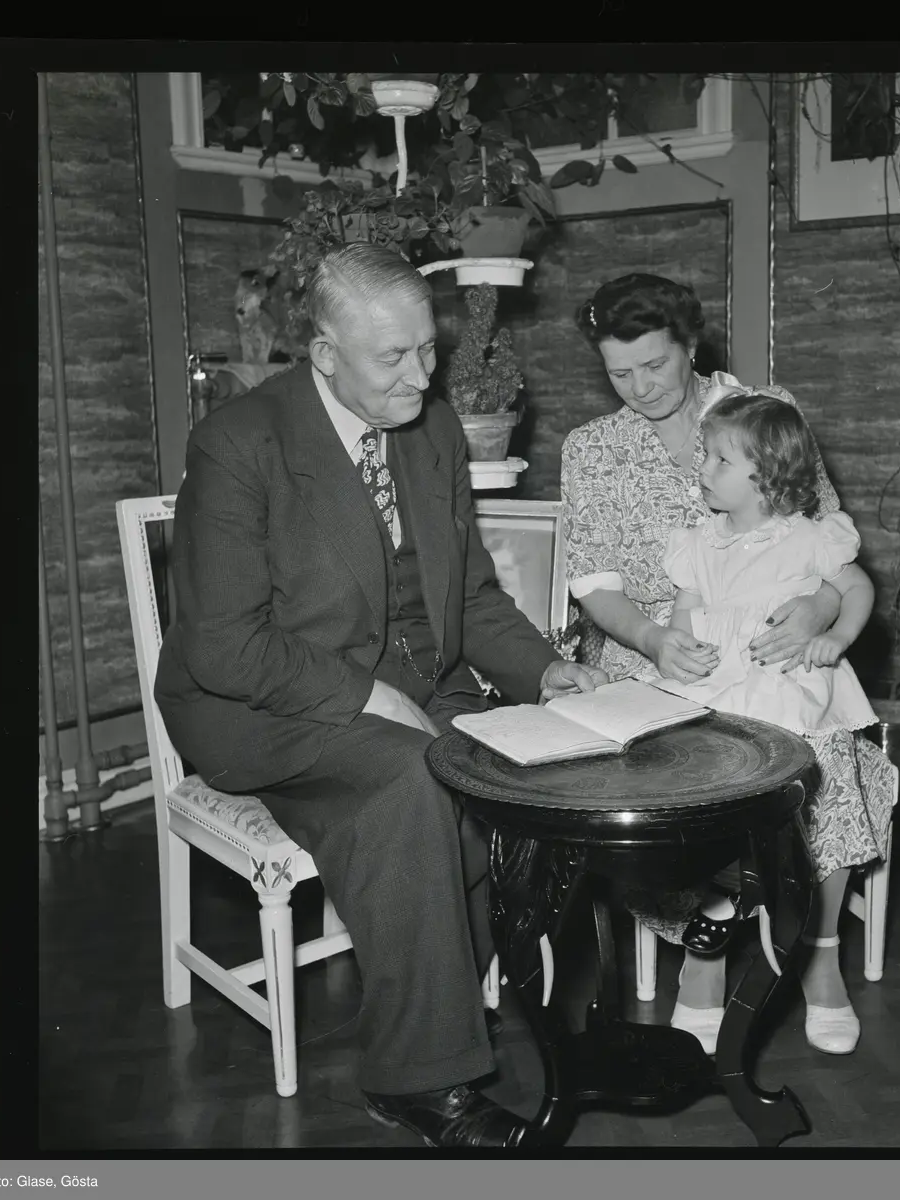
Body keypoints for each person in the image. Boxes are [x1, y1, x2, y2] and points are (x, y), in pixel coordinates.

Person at [155, 243, 606, 1148]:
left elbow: (468, 594)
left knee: (541, 772)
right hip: (267, 705)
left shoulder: (430, 429)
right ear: (325, 354)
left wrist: (544, 671)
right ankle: (418, 1081)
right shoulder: (240, 442)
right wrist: (365, 695)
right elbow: (223, 645)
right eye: (392, 357)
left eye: (428, 348)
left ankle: (469, 997)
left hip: (415, 683)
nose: (422, 376)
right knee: (415, 781)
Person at [559, 273, 889, 1056]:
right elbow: (595, 584)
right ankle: (703, 955)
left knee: (824, 772)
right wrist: (655, 640)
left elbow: (823, 537)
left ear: (691, 346)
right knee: (684, 779)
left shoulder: (760, 413)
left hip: (780, 651)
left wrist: (817, 611)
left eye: (654, 365)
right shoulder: (592, 449)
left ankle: (818, 953)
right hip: (659, 652)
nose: (639, 387)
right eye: (618, 372)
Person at [653, 389, 895, 1055]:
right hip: (719, 701)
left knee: (824, 807)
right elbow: (683, 613)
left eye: (719, 460)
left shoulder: (809, 538)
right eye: (705, 456)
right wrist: (680, 644)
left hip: (794, 701)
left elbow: (857, 588)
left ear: (765, 475)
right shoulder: (699, 543)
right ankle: (704, 959)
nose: (703, 469)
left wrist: (836, 636)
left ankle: (821, 954)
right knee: (702, 817)